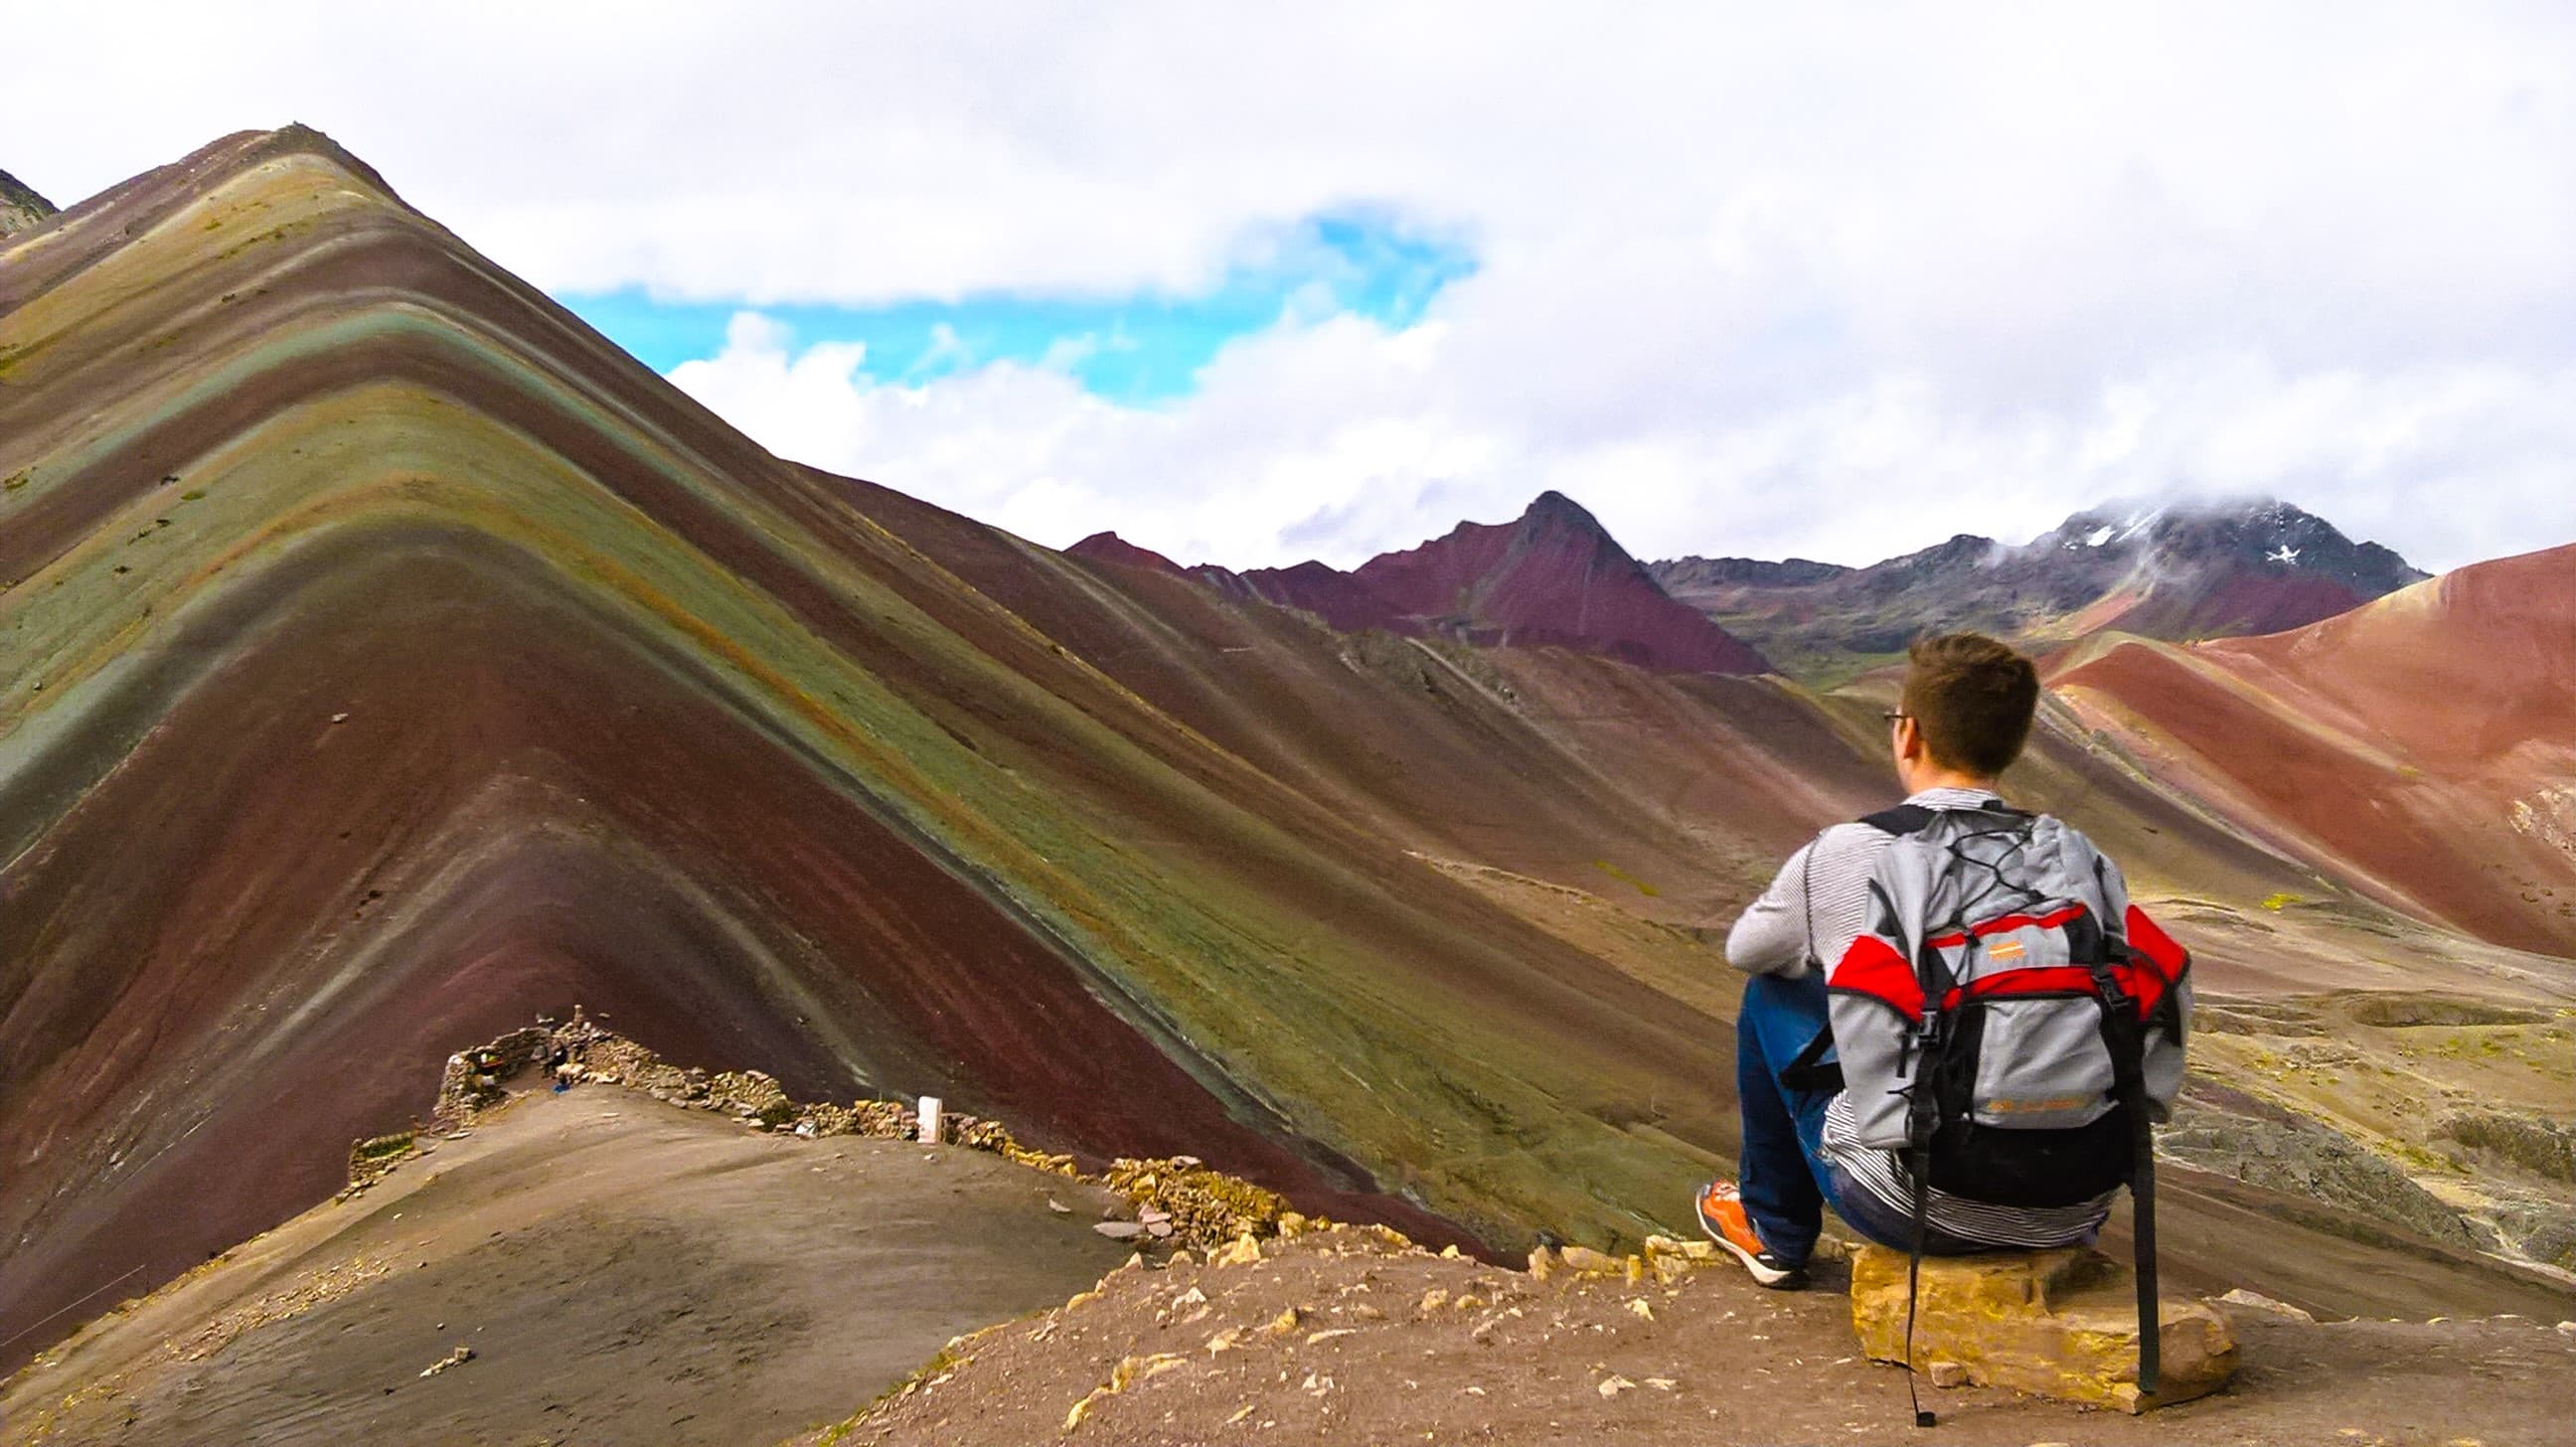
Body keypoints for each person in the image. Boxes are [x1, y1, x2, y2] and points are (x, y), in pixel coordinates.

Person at [1694, 632, 2184, 1289]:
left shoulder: (1845, 853)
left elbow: (1746, 948)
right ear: (2013, 746)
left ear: (1909, 736)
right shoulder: (2078, 860)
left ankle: (1776, 1233)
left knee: (1770, 992)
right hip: (2076, 1203)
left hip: (1916, 1205)